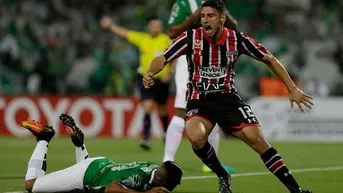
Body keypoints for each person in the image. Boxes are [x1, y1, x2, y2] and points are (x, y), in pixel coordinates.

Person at [143, 0, 314, 193]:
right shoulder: (191, 37)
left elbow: (269, 58)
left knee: (258, 140)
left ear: (222, 18)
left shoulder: (236, 39)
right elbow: (164, 57)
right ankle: (222, 174)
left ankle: (296, 190)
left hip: (228, 99)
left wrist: (292, 88)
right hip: (200, 100)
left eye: (210, 16)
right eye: (203, 16)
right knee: (195, 135)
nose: (205, 20)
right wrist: (150, 72)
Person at [163, 0, 237, 173]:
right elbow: (172, 32)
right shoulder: (184, 3)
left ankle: (211, 163)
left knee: (214, 107)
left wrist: (222, 13)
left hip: (212, 57)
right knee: (183, 109)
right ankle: (167, 159)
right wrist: (195, 16)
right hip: (188, 56)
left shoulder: (214, 3)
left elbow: (234, 28)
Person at [22, 114, 183, 193]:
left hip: (101, 165)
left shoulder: (152, 167)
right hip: (87, 174)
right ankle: (44, 138)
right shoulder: (140, 179)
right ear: (162, 181)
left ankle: (80, 145)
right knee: (32, 185)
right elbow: (112, 189)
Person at [100, 15, 172, 150]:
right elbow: (125, 33)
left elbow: (176, 58)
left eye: (158, 26)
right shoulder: (142, 39)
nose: (156, 28)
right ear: (149, 27)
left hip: (162, 80)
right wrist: (111, 26)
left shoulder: (166, 40)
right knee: (148, 106)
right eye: (154, 26)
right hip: (146, 77)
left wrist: (169, 72)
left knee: (162, 109)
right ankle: (146, 138)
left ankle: (166, 133)